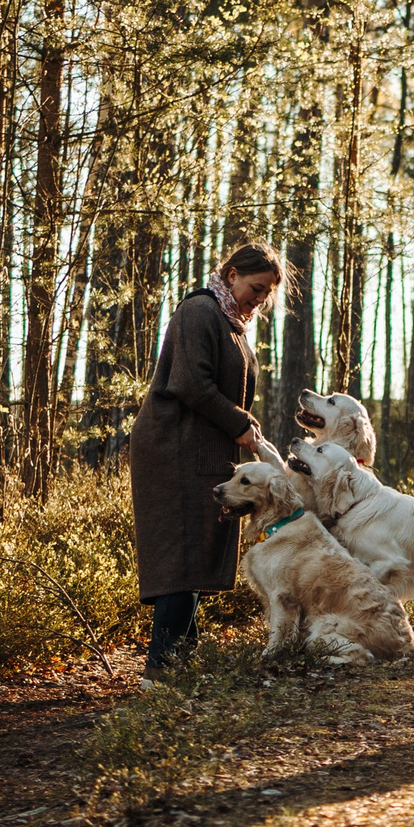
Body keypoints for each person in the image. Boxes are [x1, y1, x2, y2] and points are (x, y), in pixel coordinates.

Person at [129, 242, 286, 669]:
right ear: (232, 274)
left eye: (267, 293)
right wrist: (238, 423)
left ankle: (182, 661)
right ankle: (161, 669)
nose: (260, 299)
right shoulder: (199, 311)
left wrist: (241, 427)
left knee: (196, 555)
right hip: (173, 451)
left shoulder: (231, 322)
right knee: (182, 555)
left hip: (200, 450)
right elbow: (191, 384)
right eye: (256, 287)